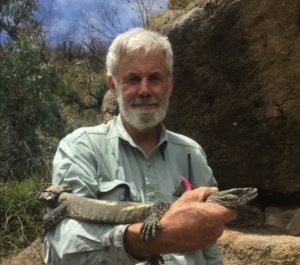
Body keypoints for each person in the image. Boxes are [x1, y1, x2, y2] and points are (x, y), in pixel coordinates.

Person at [44, 28, 237, 265]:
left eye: (155, 78)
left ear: (170, 84)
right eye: (132, 78)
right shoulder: (80, 148)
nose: (145, 90)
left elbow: (208, 247)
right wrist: (154, 238)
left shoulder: (192, 153)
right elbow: (62, 244)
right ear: (113, 86)